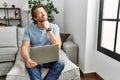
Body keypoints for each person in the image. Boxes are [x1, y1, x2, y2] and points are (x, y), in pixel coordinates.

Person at [21, 5, 64, 80]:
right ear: (35, 18)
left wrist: (47, 28)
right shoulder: (29, 28)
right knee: (30, 66)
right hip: (35, 60)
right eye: (40, 13)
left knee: (60, 63)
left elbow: (58, 46)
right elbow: (24, 47)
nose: (44, 14)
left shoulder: (54, 27)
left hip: (50, 58)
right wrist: (27, 60)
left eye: (44, 12)